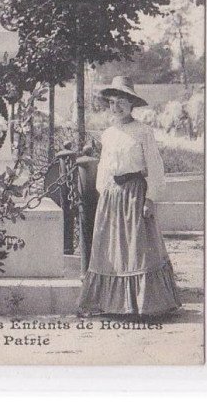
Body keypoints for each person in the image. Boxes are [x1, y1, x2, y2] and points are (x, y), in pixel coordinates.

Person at [77, 77, 181, 318]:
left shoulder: (143, 132)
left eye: (121, 102)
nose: (116, 107)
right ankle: (112, 304)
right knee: (112, 249)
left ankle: (142, 305)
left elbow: (154, 166)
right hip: (113, 195)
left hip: (135, 194)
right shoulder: (108, 134)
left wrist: (150, 198)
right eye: (112, 102)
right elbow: (104, 166)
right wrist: (104, 194)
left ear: (131, 104)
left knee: (137, 248)